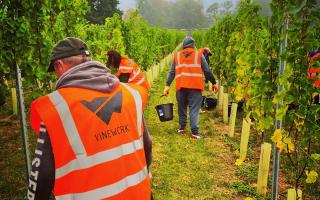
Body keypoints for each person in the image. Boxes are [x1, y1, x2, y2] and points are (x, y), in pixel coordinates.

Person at [27, 37, 152, 200]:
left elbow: (42, 177)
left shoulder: (56, 108)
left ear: (59, 65)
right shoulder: (130, 95)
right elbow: (147, 146)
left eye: (55, 70)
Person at [163, 36, 218, 139]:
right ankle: (195, 132)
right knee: (194, 109)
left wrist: (167, 86)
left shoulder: (177, 56)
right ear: (193, 46)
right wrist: (214, 82)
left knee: (182, 107)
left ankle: (182, 128)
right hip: (195, 87)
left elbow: (172, 72)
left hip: (181, 86)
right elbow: (207, 71)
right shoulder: (198, 55)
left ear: (183, 46)